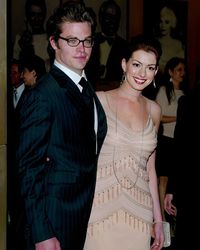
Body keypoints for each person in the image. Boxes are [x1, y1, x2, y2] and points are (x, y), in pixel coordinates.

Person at [15, 2, 107, 250]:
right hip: (54, 219)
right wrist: (41, 232)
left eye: (87, 41)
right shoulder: (43, 94)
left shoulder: (85, 86)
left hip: (82, 213)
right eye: (72, 40)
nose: (82, 49)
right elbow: (28, 168)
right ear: (54, 42)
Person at [84, 34, 164, 250]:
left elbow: (150, 169)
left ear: (156, 72)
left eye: (150, 67)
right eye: (136, 64)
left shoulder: (154, 110)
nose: (142, 73)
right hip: (99, 209)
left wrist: (158, 220)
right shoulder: (99, 100)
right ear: (124, 64)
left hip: (140, 213)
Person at [164, 84, 200, 249]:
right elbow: (179, 147)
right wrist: (171, 189)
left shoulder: (187, 101)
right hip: (189, 182)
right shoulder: (187, 102)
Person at [155, 57, 187, 225]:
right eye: (179, 70)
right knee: (164, 180)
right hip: (167, 140)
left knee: (175, 181)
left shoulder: (186, 94)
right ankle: (162, 220)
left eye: (183, 70)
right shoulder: (163, 91)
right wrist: (180, 117)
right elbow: (158, 116)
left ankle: (172, 217)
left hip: (180, 142)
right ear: (170, 72)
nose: (182, 73)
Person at [85, 0, 129, 90]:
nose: (112, 22)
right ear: (100, 18)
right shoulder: (88, 41)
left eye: (115, 18)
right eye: (108, 17)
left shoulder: (126, 46)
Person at [13, 0, 50, 70]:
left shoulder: (50, 39)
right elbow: (16, 68)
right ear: (27, 16)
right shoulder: (20, 39)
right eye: (32, 15)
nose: (36, 19)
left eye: (40, 15)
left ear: (44, 16)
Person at [157, 4, 185, 74]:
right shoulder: (155, 43)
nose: (163, 25)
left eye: (166, 22)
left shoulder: (178, 44)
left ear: (172, 24)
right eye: (161, 22)